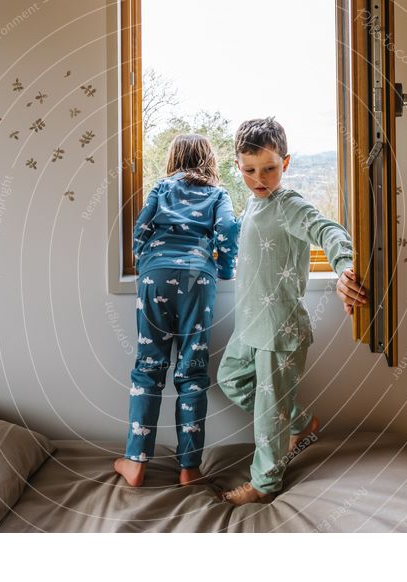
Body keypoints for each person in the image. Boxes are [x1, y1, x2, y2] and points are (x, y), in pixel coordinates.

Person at [217, 117, 367, 505]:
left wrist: (344, 266)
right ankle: (299, 422)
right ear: (238, 167)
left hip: (278, 329)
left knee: (268, 415)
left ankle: (264, 485)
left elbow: (327, 230)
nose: (259, 178)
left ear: (286, 162)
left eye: (269, 168)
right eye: (249, 170)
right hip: (249, 323)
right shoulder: (253, 201)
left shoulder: (289, 205)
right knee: (231, 378)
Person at [114, 134, 239, 487]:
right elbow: (228, 229)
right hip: (198, 279)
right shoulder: (217, 193)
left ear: (174, 159)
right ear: (209, 161)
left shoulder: (161, 187)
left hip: (156, 277)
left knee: (148, 368)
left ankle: (136, 462)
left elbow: (140, 228)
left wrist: (146, 260)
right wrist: (226, 268)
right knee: (193, 372)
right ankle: (189, 468)